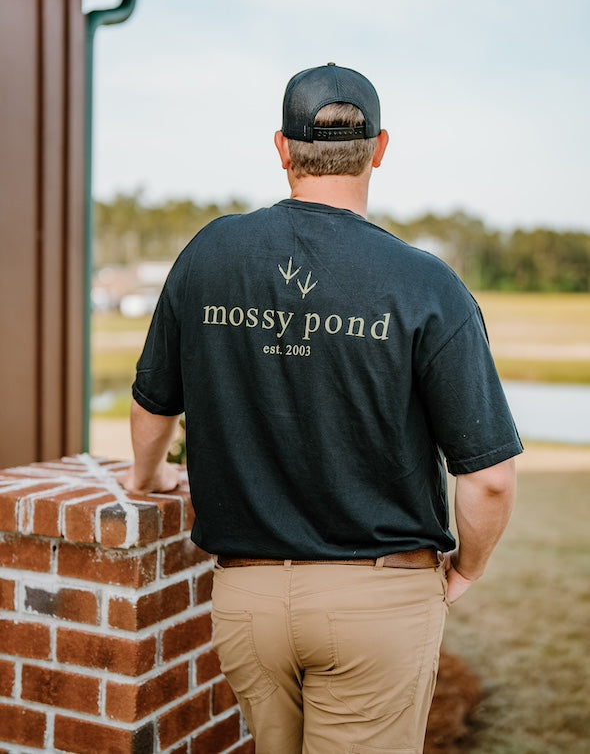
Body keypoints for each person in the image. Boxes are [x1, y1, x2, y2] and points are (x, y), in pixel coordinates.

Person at [119, 63, 521, 753]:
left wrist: (147, 477)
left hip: (247, 604)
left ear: (283, 148)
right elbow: (488, 478)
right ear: (379, 148)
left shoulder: (210, 254)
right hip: (378, 602)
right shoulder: (426, 283)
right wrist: (468, 569)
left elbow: (152, 403)